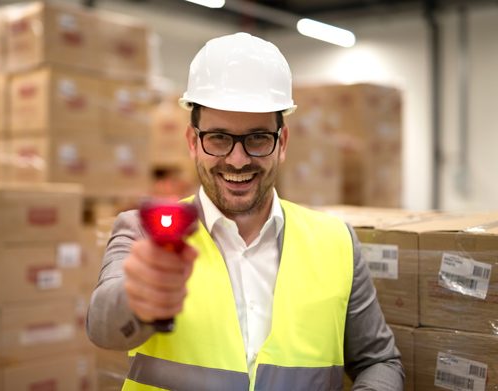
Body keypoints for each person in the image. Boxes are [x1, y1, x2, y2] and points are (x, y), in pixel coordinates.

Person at [87, 32, 404, 390]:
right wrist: (138, 297)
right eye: (219, 138)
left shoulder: (337, 243)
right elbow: (102, 327)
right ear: (193, 142)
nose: (238, 160)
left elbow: (379, 361)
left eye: (257, 138)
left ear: (281, 143)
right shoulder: (142, 232)